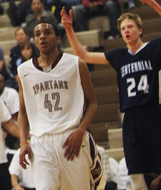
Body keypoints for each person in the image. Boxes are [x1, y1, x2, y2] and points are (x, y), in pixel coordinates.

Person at [64, 0, 161, 189]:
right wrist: (69, 29)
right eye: (123, 28)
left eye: (130, 27)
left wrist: (154, 4)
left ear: (139, 30)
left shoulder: (154, 48)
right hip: (130, 119)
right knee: (135, 176)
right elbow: (83, 55)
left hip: (154, 114)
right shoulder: (119, 56)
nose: (126, 30)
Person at [18, 21, 101, 190]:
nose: (42, 36)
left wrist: (80, 131)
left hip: (71, 138)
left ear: (57, 37)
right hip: (41, 142)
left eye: (47, 32)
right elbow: (23, 111)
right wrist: (23, 142)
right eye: (37, 34)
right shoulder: (24, 71)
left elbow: (93, 103)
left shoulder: (76, 64)